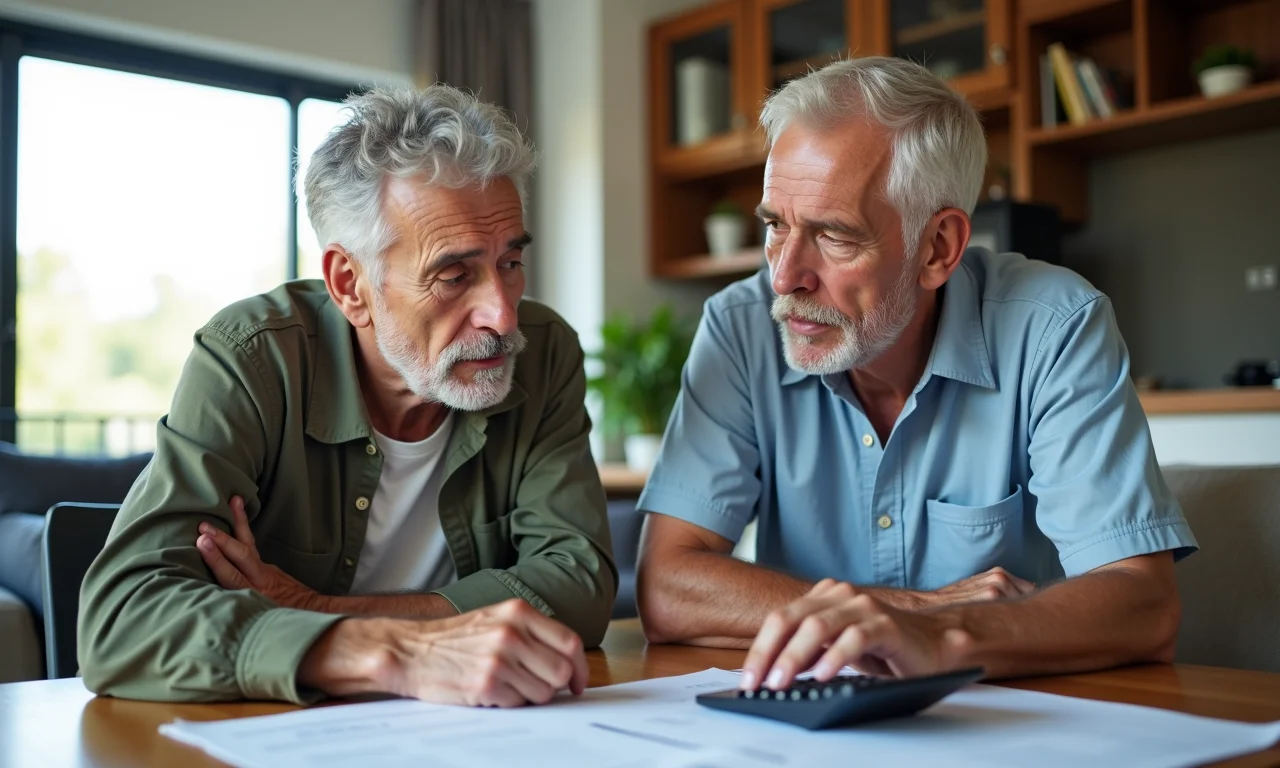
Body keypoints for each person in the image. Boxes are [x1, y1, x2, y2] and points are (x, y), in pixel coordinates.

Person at [634, 57, 1196, 692]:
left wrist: (940, 640)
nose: (785, 276)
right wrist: (910, 609)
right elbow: (666, 587)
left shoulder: (1053, 326)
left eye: (835, 236)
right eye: (775, 226)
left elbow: (1143, 604)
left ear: (938, 249)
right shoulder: (740, 328)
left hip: (1009, 722)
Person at [79, 84, 616, 707]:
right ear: (350, 284)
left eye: (510, 263)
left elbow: (578, 585)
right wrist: (393, 652)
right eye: (453, 275)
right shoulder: (254, 358)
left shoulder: (544, 353)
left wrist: (321, 610)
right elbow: (123, 621)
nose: (501, 315)